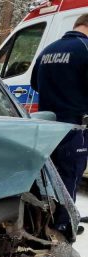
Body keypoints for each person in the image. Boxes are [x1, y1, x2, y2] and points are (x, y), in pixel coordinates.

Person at [31, 13, 88, 236]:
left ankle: (42, 221)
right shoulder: (84, 49)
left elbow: (35, 83)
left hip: (47, 125)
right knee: (69, 177)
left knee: (47, 177)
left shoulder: (48, 49)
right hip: (74, 126)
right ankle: (64, 229)